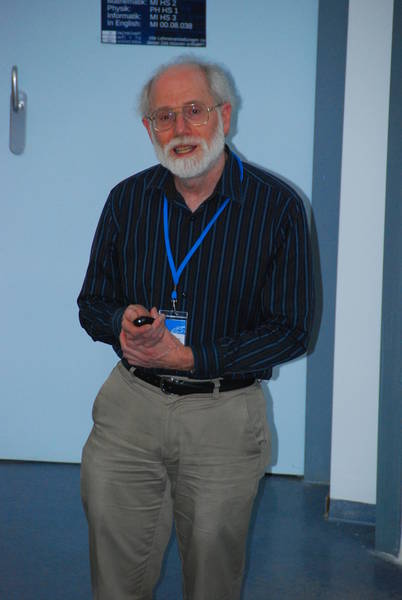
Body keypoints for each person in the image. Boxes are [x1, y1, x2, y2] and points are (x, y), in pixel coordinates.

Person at [78, 56, 314, 600]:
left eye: (194, 110)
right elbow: (92, 302)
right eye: (164, 116)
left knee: (212, 578)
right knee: (114, 575)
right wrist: (122, 324)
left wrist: (191, 357)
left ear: (223, 116)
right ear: (149, 128)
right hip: (129, 407)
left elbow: (293, 329)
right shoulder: (126, 200)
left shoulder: (277, 207)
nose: (180, 128)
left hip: (223, 413)